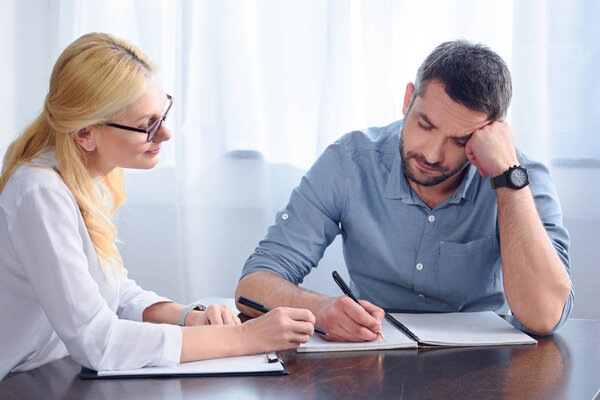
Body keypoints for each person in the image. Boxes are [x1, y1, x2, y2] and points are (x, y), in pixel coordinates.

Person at [0, 32, 315, 381]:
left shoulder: (83, 177)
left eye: (162, 113)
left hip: (52, 372)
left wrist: (190, 317)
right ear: (85, 133)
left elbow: (114, 292)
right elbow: (98, 341)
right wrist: (242, 337)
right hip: (21, 382)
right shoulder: (39, 193)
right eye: (146, 126)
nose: (164, 135)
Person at [235, 40, 573, 341]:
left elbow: (544, 318)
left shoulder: (519, 177)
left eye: (459, 141)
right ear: (408, 99)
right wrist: (320, 308)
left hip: (488, 371)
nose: (431, 154)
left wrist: (507, 179)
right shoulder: (350, 162)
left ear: (491, 133)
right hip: (372, 362)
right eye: (425, 125)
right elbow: (253, 285)